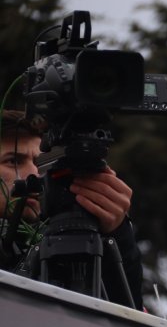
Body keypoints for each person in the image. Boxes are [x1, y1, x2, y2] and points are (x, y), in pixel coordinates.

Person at [0, 109, 143, 309]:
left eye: (39, 163)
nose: (34, 173)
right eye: (13, 161)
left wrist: (118, 233)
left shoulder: (52, 242)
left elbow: (122, 316)